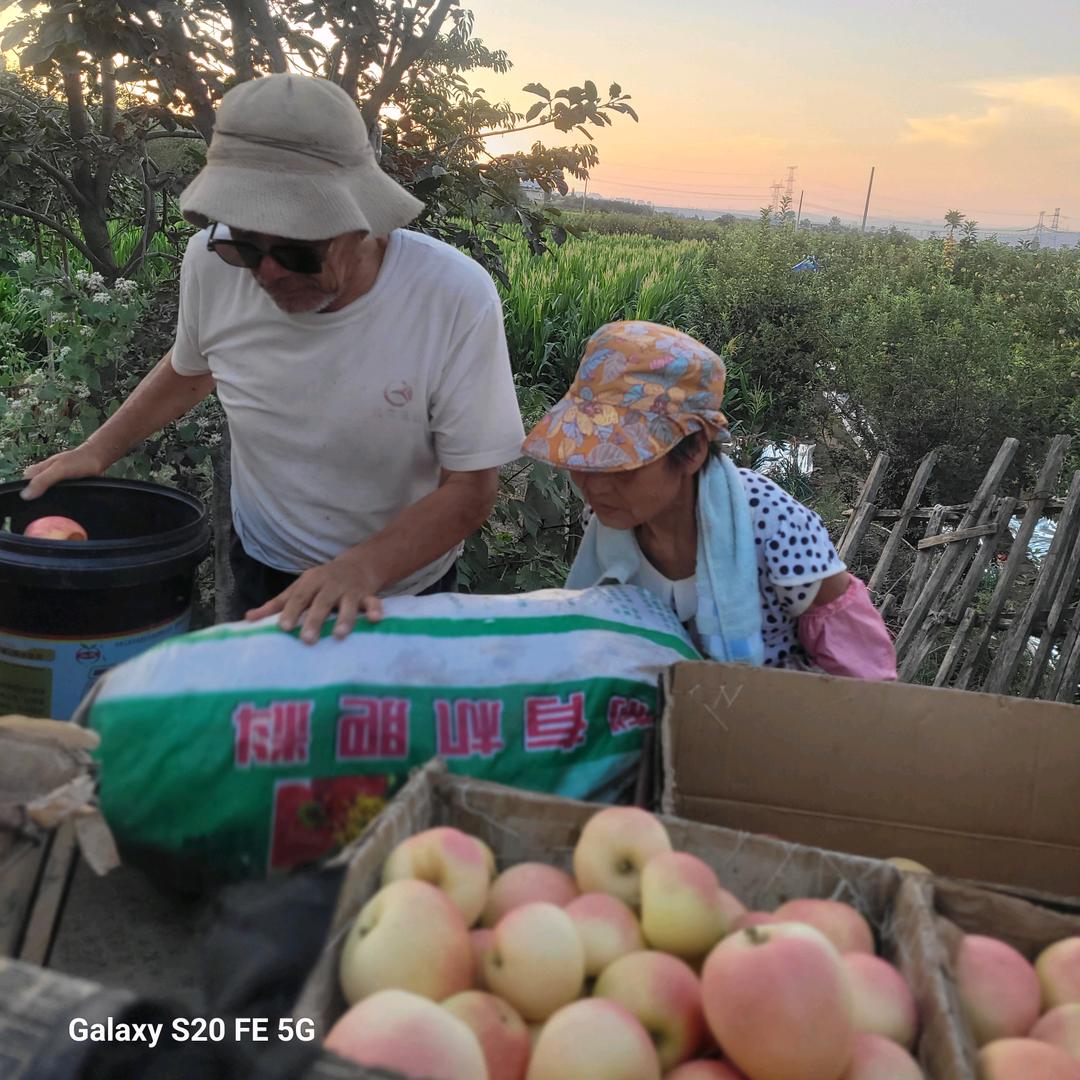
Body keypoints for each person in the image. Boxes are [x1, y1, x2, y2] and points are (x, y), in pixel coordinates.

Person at [21, 74, 525, 644]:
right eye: (246, 247)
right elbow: (195, 366)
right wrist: (97, 449)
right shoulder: (211, 262)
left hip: (401, 587)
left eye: (295, 251)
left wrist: (361, 568)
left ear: (362, 223)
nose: (267, 274)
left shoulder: (452, 296)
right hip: (263, 561)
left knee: (379, 731)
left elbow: (471, 487)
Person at [521, 320, 897, 678]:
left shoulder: (768, 521)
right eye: (583, 459)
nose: (595, 487)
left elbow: (861, 673)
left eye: (621, 464)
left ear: (694, 448)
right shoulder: (603, 524)